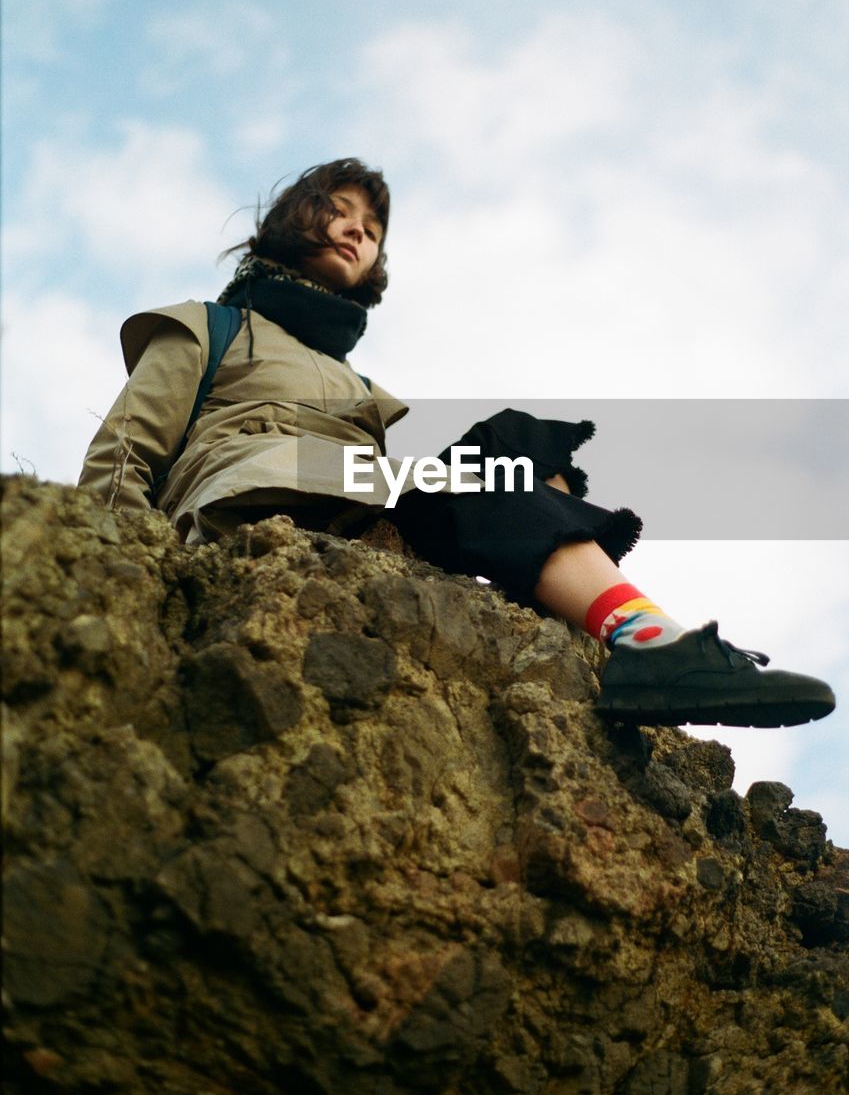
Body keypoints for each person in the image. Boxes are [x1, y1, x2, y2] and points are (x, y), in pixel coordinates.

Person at [79, 158, 836, 730]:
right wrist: (115, 577)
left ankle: (645, 644)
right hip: (263, 484)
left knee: (522, 450)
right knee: (492, 470)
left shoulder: (350, 377)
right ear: (289, 220)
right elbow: (126, 450)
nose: (356, 231)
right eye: (336, 212)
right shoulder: (209, 326)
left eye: (370, 230)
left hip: (355, 493)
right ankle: (647, 644)